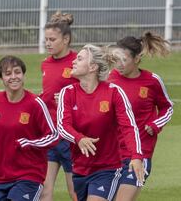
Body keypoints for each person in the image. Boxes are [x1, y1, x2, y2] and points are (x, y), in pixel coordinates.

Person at [20, 44, 145, 201]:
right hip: (79, 169)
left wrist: (136, 156)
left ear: (92, 67)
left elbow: (129, 127)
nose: (73, 61)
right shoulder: (67, 92)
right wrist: (79, 138)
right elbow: (62, 126)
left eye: (79, 58)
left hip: (107, 169)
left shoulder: (114, 92)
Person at [0, 55, 59, 201]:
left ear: (23, 75)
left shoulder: (36, 104)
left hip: (29, 175)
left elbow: (53, 135)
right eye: (8, 73)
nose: (13, 77)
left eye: (17, 72)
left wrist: (31, 143)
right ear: (1, 78)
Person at [108, 32, 174, 201]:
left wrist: (156, 124)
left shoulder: (152, 81)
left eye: (124, 59)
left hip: (139, 153)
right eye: (116, 59)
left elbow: (168, 108)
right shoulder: (109, 79)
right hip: (111, 154)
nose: (119, 64)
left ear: (137, 59)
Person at [39, 11, 77, 201]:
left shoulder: (79, 63)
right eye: (46, 39)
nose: (47, 43)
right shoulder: (45, 64)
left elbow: (91, 94)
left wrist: (68, 98)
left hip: (71, 137)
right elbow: (46, 95)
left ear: (66, 39)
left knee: (75, 192)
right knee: (44, 190)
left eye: (52, 39)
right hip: (50, 134)